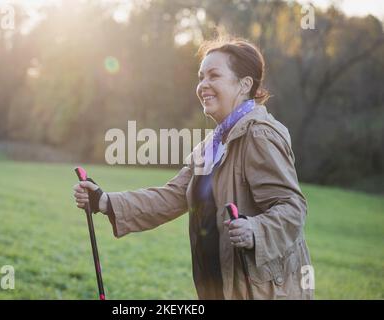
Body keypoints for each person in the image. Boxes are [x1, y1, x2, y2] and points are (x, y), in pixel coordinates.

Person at [73, 36, 313, 300]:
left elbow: (292, 207)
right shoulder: (212, 145)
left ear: (244, 84)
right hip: (217, 286)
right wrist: (104, 201)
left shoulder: (259, 135)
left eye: (213, 76)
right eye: (201, 77)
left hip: (260, 290)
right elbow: (173, 195)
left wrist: (255, 229)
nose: (203, 85)